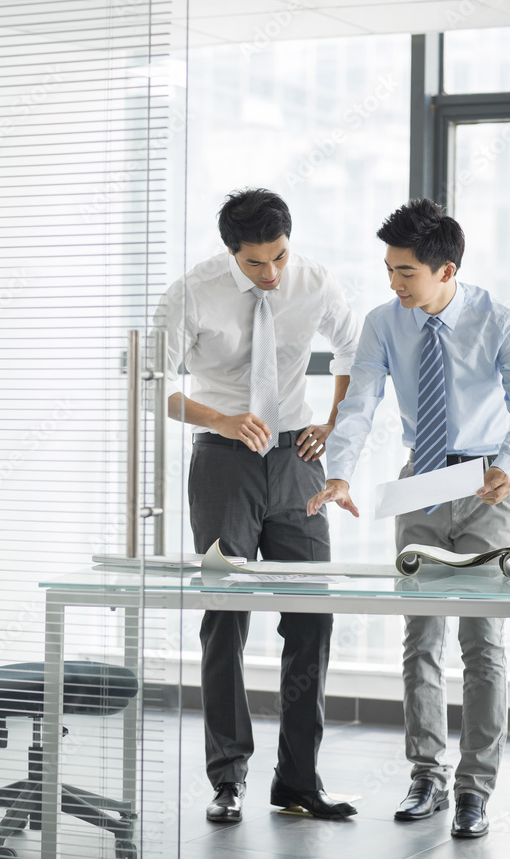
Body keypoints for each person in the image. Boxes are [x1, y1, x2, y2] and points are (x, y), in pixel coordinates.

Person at [307, 198, 510, 838]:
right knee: (420, 638)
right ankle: (426, 776)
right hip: (421, 484)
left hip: (487, 485)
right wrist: (339, 472)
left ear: (445, 270)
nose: (393, 282)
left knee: (483, 644)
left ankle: (475, 788)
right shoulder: (386, 323)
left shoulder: (497, 320)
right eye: (388, 268)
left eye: (405, 271)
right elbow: (359, 402)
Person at [160, 188, 360, 823]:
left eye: (279, 256)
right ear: (230, 252)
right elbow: (151, 385)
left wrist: (331, 423)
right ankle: (228, 777)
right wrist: (221, 415)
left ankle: (298, 779)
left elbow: (357, 352)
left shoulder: (314, 281)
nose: (271, 273)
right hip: (224, 461)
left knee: (313, 615)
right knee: (227, 615)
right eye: (255, 262)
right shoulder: (192, 291)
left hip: (297, 459)